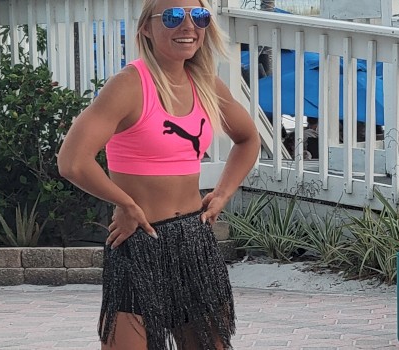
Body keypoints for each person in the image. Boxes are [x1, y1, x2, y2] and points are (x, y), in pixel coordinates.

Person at [57, 0, 260, 349]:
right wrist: (125, 203)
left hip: (195, 239)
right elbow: (73, 161)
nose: (188, 26)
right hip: (139, 241)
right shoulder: (129, 84)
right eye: (172, 16)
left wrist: (223, 193)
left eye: (198, 16)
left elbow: (248, 139)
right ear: (146, 29)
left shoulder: (206, 83)